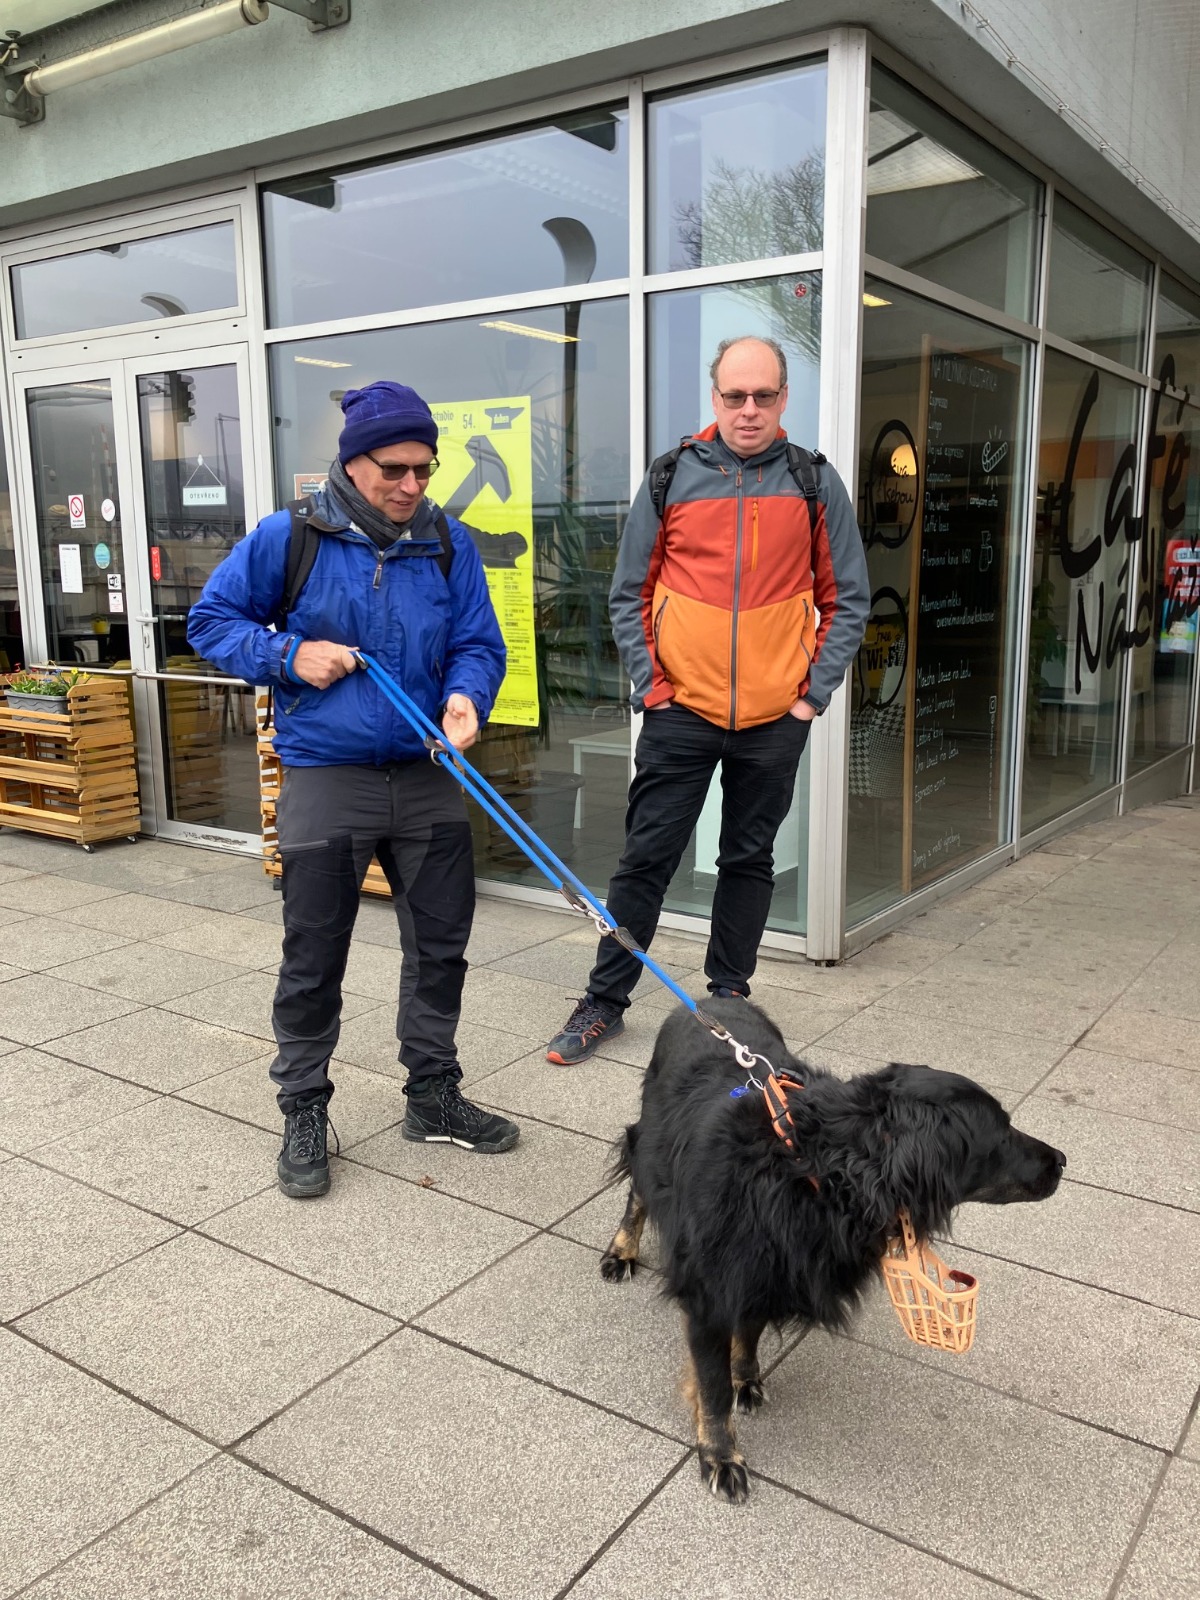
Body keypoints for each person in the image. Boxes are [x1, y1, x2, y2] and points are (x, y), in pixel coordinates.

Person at [189, 380, 518, 1197]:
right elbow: (211, 622)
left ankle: (432, 1095)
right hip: (327, 776)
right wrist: (287, 656)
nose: (411, 486)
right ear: (352, 461)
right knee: (314, 954)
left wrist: (467, 696)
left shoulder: (446, 542)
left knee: (440, 947)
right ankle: (303, 1105)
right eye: (393, 470)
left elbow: (480, 643)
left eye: (424, 470)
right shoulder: (290, 536)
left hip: (427, 775)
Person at [546, 335, 869, 1065]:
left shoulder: (814, 482)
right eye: (734, 395)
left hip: (775, 718)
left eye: (763, 396)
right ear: (715, 396)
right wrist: (653, 687)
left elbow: (847, 598)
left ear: (783, 398)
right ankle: (605, 1000)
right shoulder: (671, 477)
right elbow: (628, 592)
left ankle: (729, 998)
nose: (749, 409)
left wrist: (810, 697)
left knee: (748, 858)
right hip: (680, 711)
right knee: (645, 859)